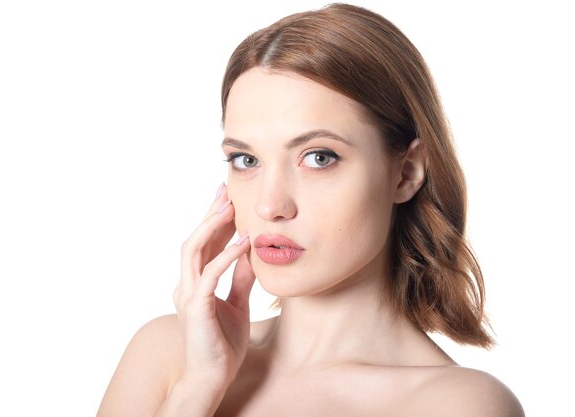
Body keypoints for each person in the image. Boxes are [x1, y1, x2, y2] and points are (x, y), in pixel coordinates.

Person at [97, 3, 524, 416]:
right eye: (246, 160)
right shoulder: (169, 353)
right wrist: (198, 387)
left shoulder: (459, 405)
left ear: (406, 172)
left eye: (319, 157)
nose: (270, 205)